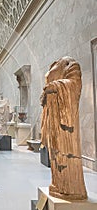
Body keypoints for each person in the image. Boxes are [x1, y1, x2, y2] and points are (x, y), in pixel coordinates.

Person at [40, 56, 87, 200]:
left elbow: (75, 84)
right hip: (52, 114)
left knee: (64, 149)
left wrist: (56, 86)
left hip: (63, 116)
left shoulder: (68, 62)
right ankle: (59, 184)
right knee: (55, 151)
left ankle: (72, 188)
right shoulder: (53, 65)